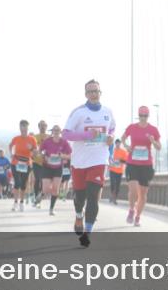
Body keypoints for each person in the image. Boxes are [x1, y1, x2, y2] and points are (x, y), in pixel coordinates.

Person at [62, 79, 116, 247]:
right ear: (86, 94)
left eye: (96, 91)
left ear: (100, 93)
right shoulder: (78, 112)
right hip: (79, 162)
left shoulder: (108, 112)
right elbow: (66, 134)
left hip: (99, 160)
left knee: (93, 196)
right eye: (90, 91)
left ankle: (87, 232)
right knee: (80, 197)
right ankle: (79, 215)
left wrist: (110, 139)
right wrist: (86, 136)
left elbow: (112, 129)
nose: (94, 94)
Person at [121, 106, 161, 227]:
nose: (143, 118)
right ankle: (131, 210)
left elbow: (159, 147)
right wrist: (126, 146)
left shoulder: (153, 129)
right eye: (141, 115)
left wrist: (153, 141)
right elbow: (123, 138)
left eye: (145, 116)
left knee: (142, 194)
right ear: (138, 116)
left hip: (146, 165)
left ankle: (138, 216)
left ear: (148, 116)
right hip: (132, 163)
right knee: (133, 190)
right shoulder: (132, 127)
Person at [39, 125, 72, 215]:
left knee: (55, 190)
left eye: (58, 130)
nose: (56, 131)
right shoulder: (47, 141)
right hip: (47, 167)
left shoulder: (64, 142)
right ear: (52, 131)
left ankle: (51, 209)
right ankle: (42, 193)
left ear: (60, 132)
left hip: (58, 168)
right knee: (46, 190)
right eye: (54, 130)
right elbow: (40, 151)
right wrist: (44, 156)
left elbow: (70, 155)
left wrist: (62, 156)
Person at [9, 120, 38, 212]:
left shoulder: (32, 139)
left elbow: (35, 153)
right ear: (20, 128)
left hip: (26, 163)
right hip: (16, 162)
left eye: (25, 126)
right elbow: (11, 147)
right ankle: (15, 202)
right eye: (22, 126)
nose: (24, 128)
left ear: (28, 128)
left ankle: (21, 202)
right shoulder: (16, 138)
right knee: (17, 182)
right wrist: (12, 153)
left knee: (23, 183)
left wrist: (32, 149)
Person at [31, 120, 49, 208]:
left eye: (44, 125)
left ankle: (39, 198)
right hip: (36, 162)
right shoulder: (35, 137)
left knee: (44, 181)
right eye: (41, 125)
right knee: (37, 179)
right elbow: (31, 148)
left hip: (46, 162)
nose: (43, 127)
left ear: (46, 127)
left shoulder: (49, 137)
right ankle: (36, 196)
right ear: (38, 126)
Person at [107, 138, 127, 204]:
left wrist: (120, 160)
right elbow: (108, 158)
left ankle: (115, 198)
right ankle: (112, 196)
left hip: (119, 171)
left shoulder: (123, 152)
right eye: (117, 143)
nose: (118, 144)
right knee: (112, 183)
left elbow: (126, 161)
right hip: (112, 170)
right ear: (115, 144)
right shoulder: (112, 150)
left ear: (120, 144)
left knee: (117, 185)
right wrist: (109, 162)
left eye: (119, 143)